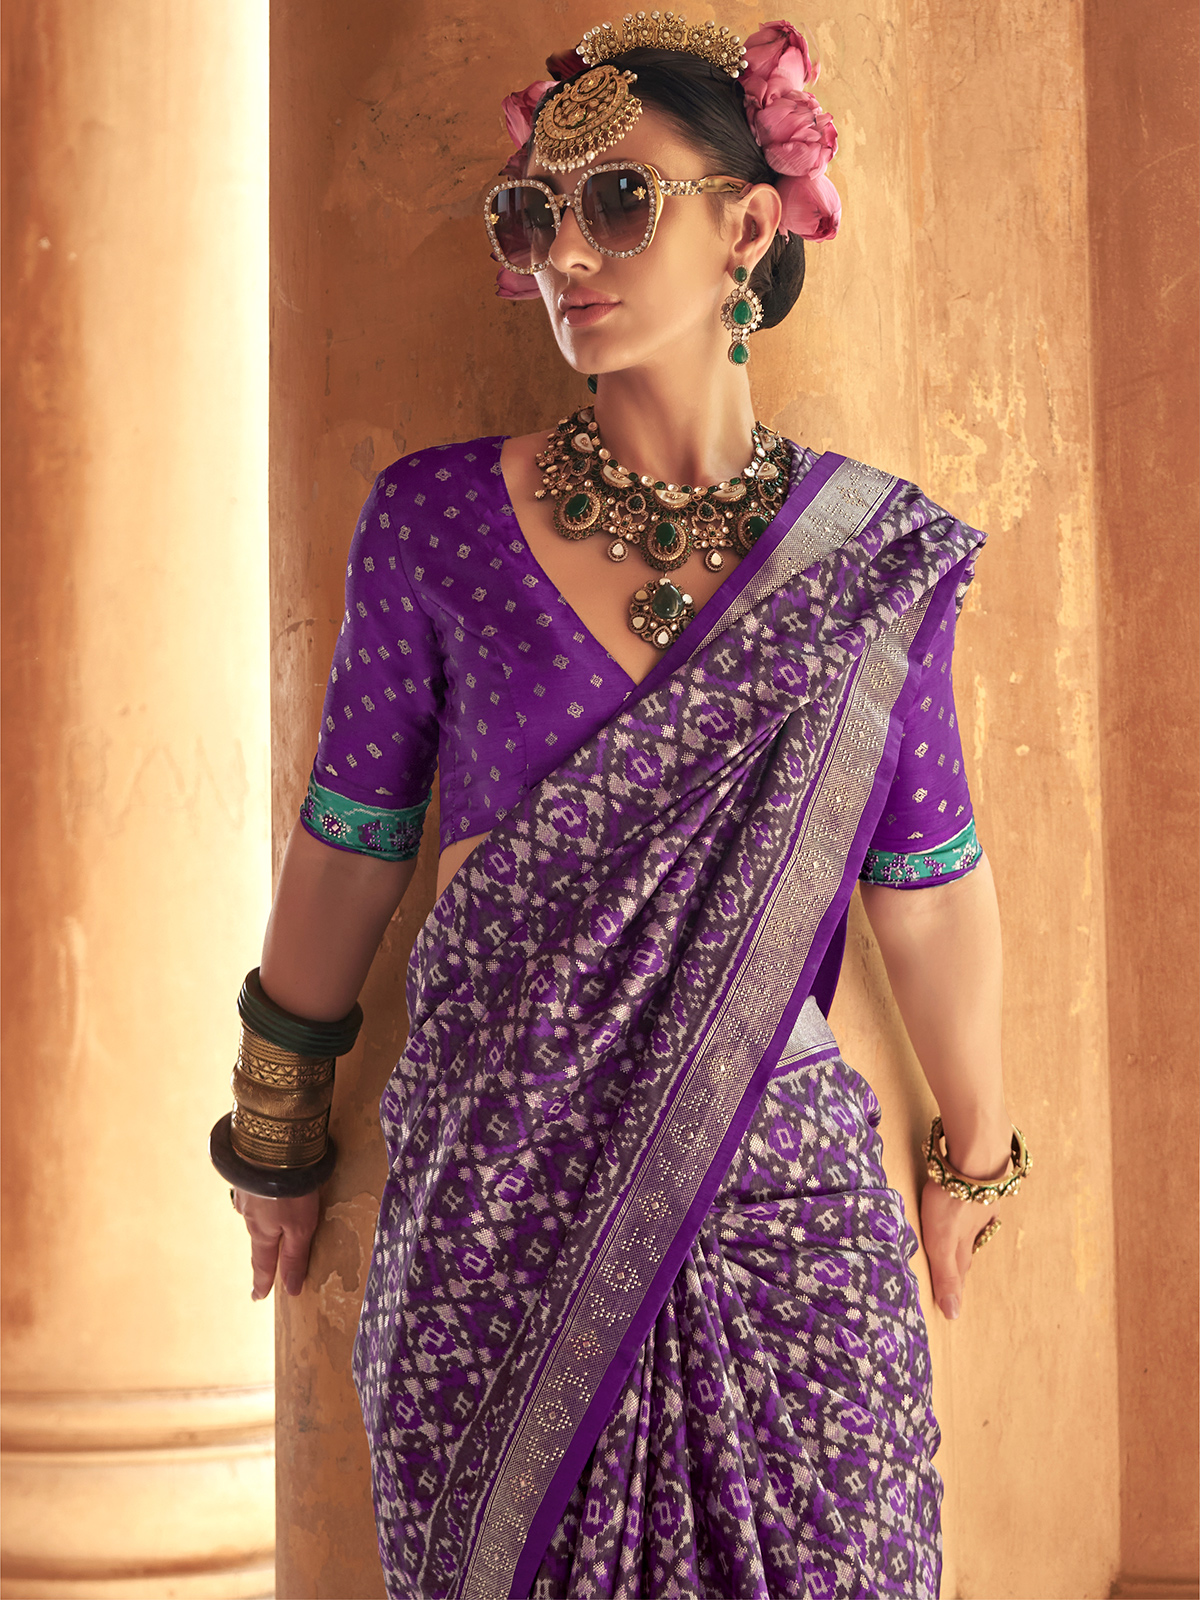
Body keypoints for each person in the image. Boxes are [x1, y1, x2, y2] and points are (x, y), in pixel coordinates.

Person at [212, 16, 1030, 1598]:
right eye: (535, 215)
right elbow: (353, 842)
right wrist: (274, 1130)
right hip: (494, 1207)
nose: (566, 256)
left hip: (781, 1216)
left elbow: (926, 880)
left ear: (748, 227)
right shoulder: (436, 522)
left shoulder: (873, 563)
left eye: (619, 203)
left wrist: (975, 1151)